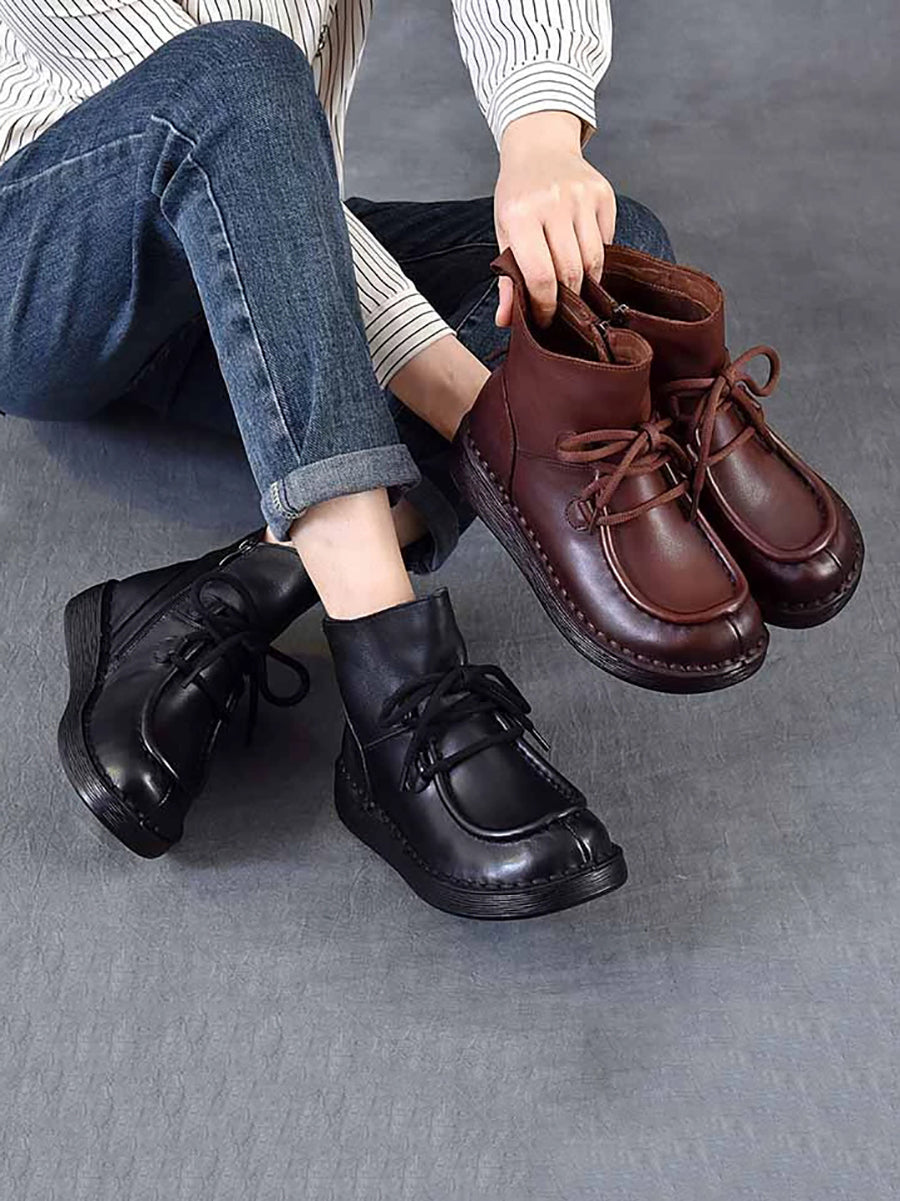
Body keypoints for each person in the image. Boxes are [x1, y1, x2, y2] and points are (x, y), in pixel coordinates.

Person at [0, 4, 862, 919]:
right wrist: (495, 426)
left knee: (599, 270)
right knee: (239, 73)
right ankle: (393, 678)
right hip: (50, 271)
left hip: (254, 234)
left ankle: (241, 589)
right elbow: (211, 108)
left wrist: (540, 139)